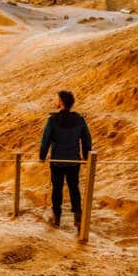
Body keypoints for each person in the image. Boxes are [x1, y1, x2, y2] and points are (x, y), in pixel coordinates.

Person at [39, 90, 92, 230]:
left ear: (61, 102)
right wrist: (86, 156)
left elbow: (46, 139)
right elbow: (86, 139)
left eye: (58, 100)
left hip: (57, 161)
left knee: (57, 188)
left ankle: (57, 217)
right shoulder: (80, 119)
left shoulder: (52, 120)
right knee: (74, 187)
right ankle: (78, 214)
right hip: (74, 161)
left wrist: (42, 156)